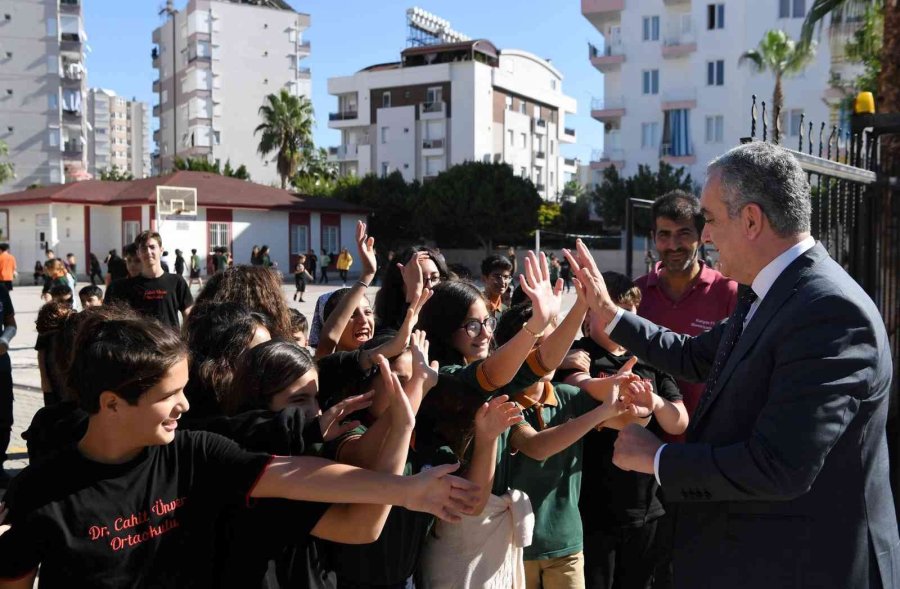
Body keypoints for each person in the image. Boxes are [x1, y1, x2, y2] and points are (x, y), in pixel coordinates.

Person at [567, 141, 899, 589]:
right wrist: (610, 315)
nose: (704, 236)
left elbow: (779, 466)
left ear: (751, 220)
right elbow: (692, 356)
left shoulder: (828, 311)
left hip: (809, 568)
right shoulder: (771, 291)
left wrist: (659, 458)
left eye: (709, 219)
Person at [0, 307, 481, 588]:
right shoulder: (41, 491)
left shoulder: (192, 454)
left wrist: (406, 491)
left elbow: (293, 474)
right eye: (169, 395)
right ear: (111, 403)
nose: (185, 405)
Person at [558, 272, 687, 589]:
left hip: (646, 507)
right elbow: (580, 386)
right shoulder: (578, 354)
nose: (619, 321)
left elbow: (678, 421)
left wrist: (654, 402)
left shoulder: (650, 359)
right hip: (590, 509)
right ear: (588, 316)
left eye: (627, 313)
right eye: (610, 312)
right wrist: (618, 389)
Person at [634, 190, 737, 435]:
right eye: (664, 235)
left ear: (701, 236)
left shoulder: (729, 292)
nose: (673, 245)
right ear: (653, 237)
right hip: (646, 439)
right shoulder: (636, 293)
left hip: (709, 441)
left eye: (684, 233)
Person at [104, 231, 193, 328]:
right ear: (138, 253)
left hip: (170, 338)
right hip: (139, 338)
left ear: (161, 250)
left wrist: (184, 336)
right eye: (143, 248)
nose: (148, 252)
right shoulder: (126, 287)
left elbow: (188, 316)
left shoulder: (177, 282)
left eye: (152, 247)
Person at [373, 246, 449, 332]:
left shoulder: (451, 315)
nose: (429, 286)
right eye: (419, 279)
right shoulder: (385, 332)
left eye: (434, 278)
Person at [0, 282, 15, 485]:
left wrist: (4, 339)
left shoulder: (1, 291)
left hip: (1, 366)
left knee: (4, 418)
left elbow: (11, 324)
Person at [480, 254, 514, 318]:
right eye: (497, 277)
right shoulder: (475, 306)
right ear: (484, 278)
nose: (502, 282)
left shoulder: (506, 311)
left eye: (506, 277)